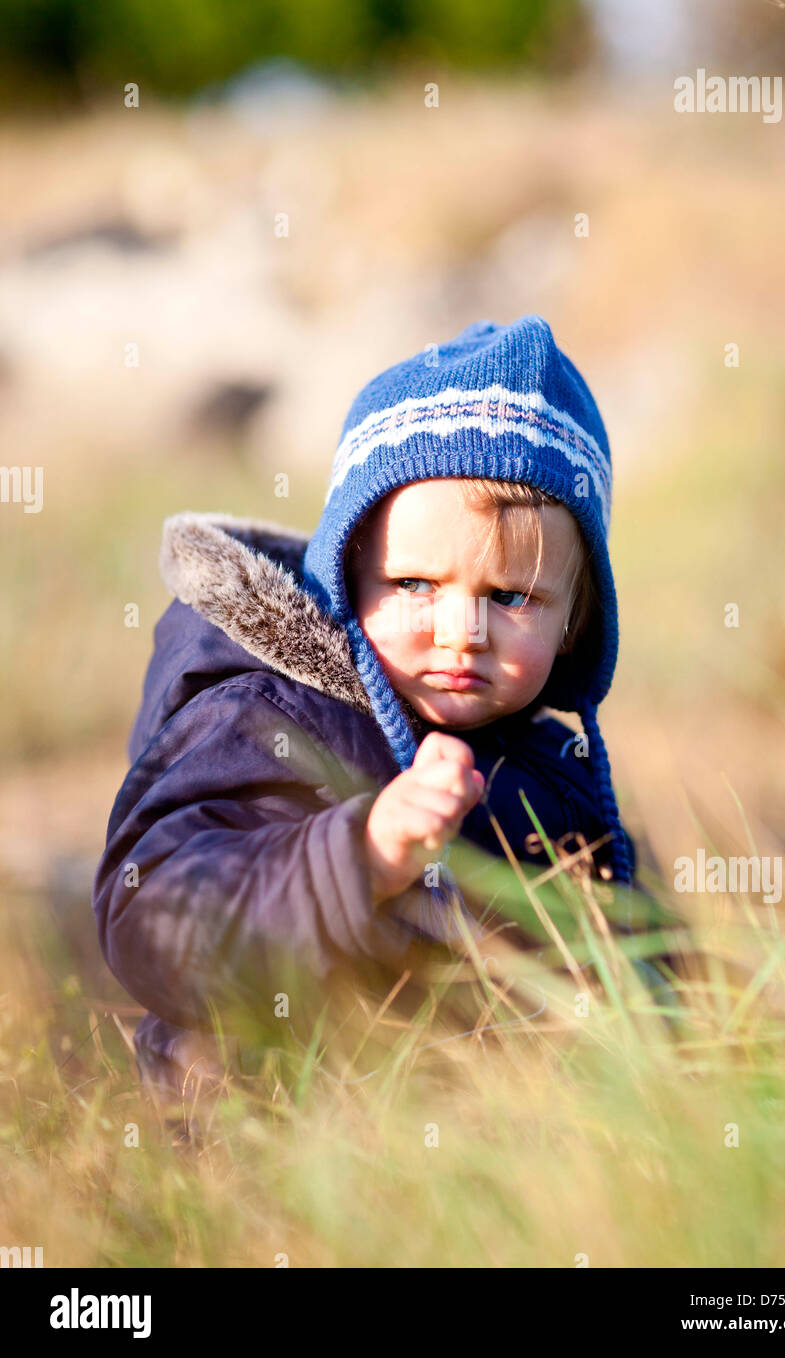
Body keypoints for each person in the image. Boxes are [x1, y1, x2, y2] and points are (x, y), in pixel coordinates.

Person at [92, 314, 646, 1108]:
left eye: (510, 596)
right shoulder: (268, 712)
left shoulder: (553, 769)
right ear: (347, 573)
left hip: (477, 1148)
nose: (462, 634)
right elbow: (151, 914)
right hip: (272, 1132)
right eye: (415, 585)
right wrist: (361, 856)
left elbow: (616, 933)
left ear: (573, 622)